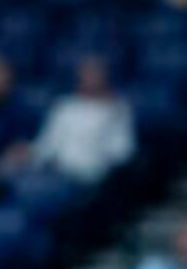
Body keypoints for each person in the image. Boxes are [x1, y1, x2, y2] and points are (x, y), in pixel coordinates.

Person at [30, 56, 138, 186]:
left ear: (105, 77)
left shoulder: (117, 109)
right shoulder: (64, 106)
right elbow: (47, 144)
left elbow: (123, 151)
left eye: (94, 74)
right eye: (86, 74)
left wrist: (98, 162)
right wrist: (28, 153)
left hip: (90, 175)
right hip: (55, 172)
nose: (89, 78)